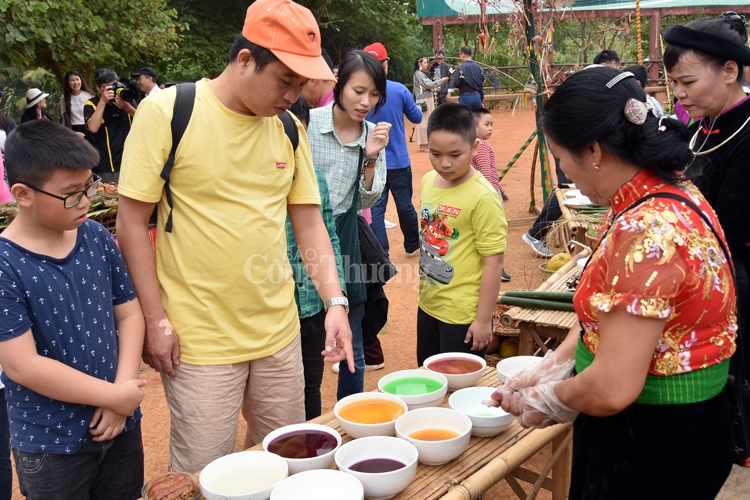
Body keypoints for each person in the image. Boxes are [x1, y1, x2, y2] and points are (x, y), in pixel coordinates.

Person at [116, 0, 353, 473]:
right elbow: (130, 224)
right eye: (285, 80)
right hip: (198, 341)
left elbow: (308, 223)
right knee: (207, 474)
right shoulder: (169, 111)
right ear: (245, 60)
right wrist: (156, 320)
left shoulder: (287, 128)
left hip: (278, 335)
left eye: (301, 83)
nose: (294, 94)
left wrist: (336, 302)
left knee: (285, 460)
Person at [490, 67, 737, 499]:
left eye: (560, 157)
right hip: (659, 433)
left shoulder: (648, 232)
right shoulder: (659, 191)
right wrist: (549, 367)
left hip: (653, 445)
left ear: (593, 150)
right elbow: (605, 322)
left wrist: (546, 399)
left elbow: (610, 388)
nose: (563, 170)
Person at [0, 120, 147, 499]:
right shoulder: (5, 264)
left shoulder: (95, 236)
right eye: (70, 195)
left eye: (88, 188)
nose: (84, 202)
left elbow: (129, 313)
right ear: (23, 193)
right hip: (51, 443)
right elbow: (22, 365)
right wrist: (112, 397)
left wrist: (121, 393)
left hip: (120, 424)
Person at [664, 12, 750, 465]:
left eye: (687, 81)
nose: (678, 94)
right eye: (674, 82)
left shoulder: (747, 132)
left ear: (730, 71)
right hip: (702, 274)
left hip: (736, 278)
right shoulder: (703, 126)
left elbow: (730, 224)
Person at [307, 49, 389, 399]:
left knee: (352, 339)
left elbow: (368, 200)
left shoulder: (372, 135)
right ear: (339, 84)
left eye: (373, 95)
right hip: (300, 241)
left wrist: (369, 158)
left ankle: (350, 418)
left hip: (346, 239)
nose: (366, 101)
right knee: (306, 345)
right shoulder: (306, 124)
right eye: (359, 91)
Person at [416, 103, 506, 366]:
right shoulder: (427, 181)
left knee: (458, 388)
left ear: (475, 148)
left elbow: (494, 262)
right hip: (429, 305)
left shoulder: (483, 196)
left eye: (455, 154)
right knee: (429, 378)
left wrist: (482, 319)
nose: (444, 163)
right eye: (435, 154)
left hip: (463, 316)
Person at [286, 95, 347, 420]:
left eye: (300, 136)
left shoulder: (315, 181)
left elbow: (330, 238)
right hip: (275, 308)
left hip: (310, 301)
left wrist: (336, 300)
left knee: (310, 385)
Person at [365, 42, 422, 258]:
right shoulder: (399, 90)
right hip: (398, 161)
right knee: (405, 206)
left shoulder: (360, 93)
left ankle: (381, 254)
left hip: (372, 161)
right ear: (385, 64)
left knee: (376, 211)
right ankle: (411, 244)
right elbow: (416, 118)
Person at [471, 107, 511, 282]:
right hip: (489, 194)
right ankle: (496, 268)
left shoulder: (470, 144)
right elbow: (487, 175)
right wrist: (497, 194)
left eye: (492, 125)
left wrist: (500, 189)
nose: (490, 128)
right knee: (494, 233)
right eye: (486, 124)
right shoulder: (483, 146)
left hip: (479, 193)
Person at [84, 68, 137, 183]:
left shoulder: (126, 97)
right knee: (110, 198)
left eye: (114, 85)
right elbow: (93, 128)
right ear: (98, 88)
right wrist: (102, 102)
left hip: (130, 160)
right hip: (108, 164)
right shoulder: (92, 104)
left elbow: (143, 120)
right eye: (106, 87)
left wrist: (127, 107)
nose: (112, 90)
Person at [413, 56, 441, 152]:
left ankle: (427, 143)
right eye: (425, 62)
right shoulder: (418, 74)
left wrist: (430, 87)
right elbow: (428, 84)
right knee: (423, 122)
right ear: (419, 63)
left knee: (428, 120)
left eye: (426, 62)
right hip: (423, 100)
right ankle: (423, 144)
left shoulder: (422, 74)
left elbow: (429, 85)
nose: (427, 64)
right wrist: (440, 81)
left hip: (427, 98)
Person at [60, 70, 94, 135]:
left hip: (89, 128)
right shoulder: (64, 98)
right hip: (73, 130)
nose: (76, 82)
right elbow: (64, 118)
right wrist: (71, 133)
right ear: (68, 82)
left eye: (77, 79)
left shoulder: (89, 96)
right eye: (72, 80)